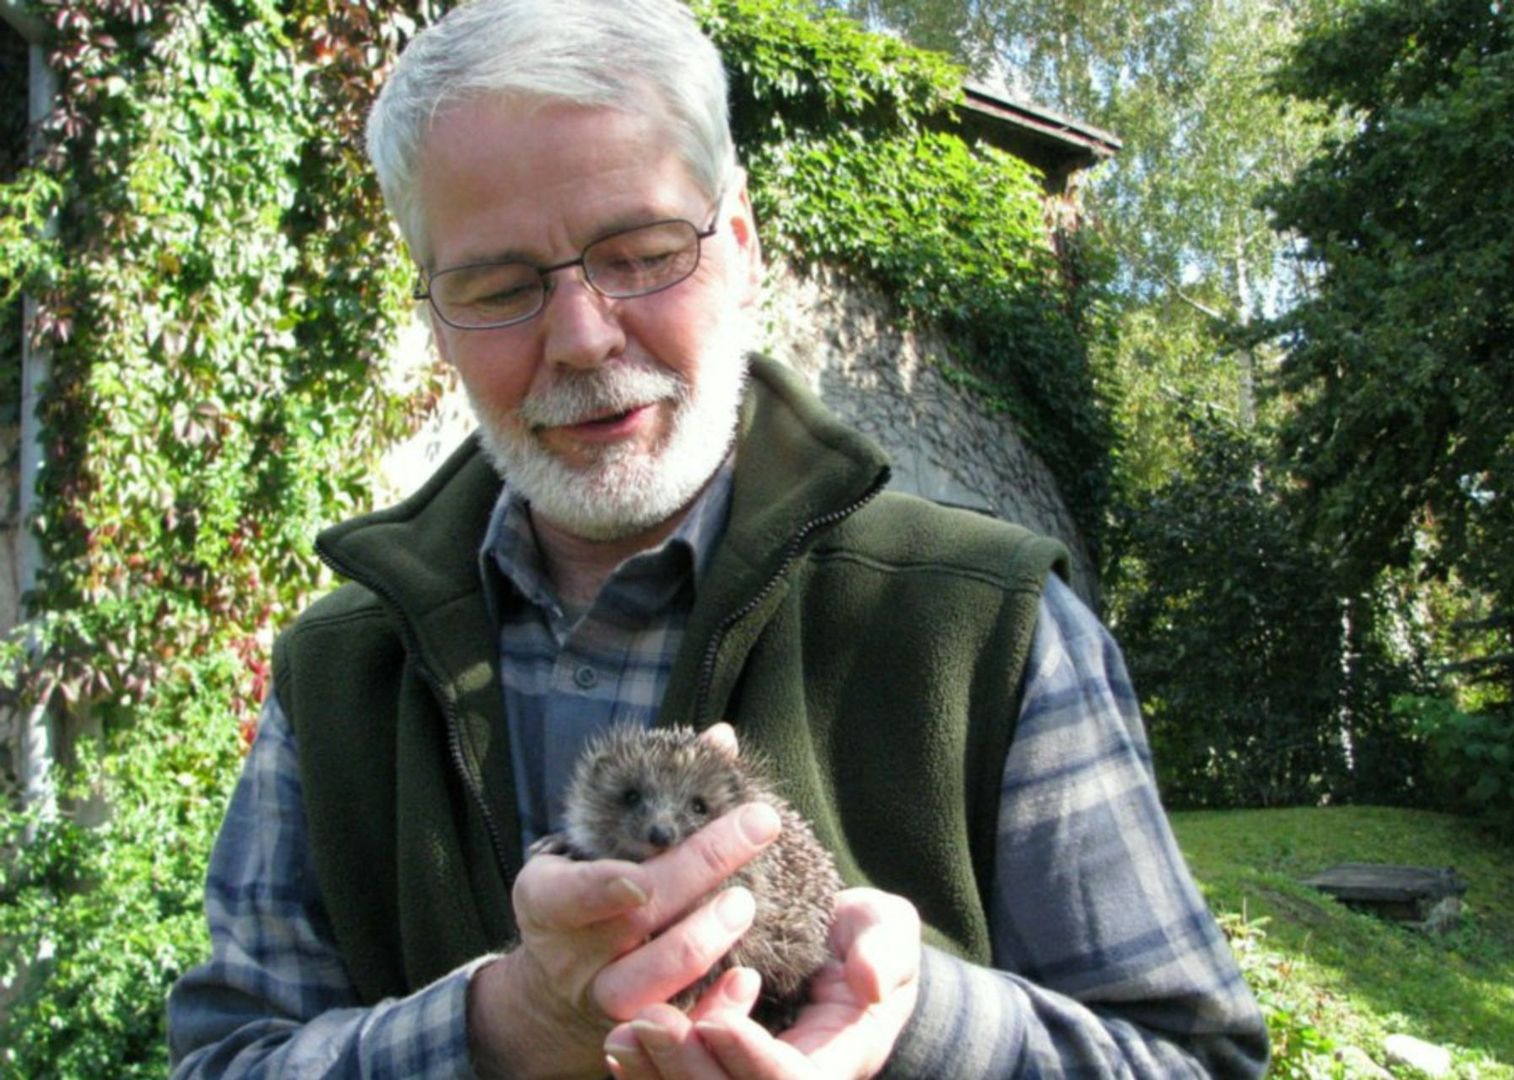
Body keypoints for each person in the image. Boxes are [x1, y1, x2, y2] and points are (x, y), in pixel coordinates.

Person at [167, 0, 1268, 1076]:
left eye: (642, 253)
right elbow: (224, 1060)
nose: (584, 337)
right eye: (499, 287)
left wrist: (921, 1026)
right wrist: (503, 1029)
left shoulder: (990, 621)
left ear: (739, 246)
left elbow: (1192, 1059)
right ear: (435, 320)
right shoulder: (339, 669)